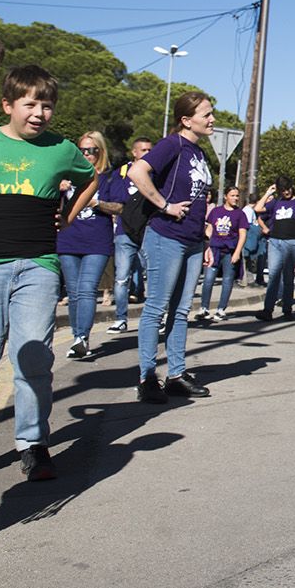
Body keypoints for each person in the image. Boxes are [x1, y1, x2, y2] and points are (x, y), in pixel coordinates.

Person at [0, 65, 96, 488]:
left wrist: (69, 214)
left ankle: (33, 444)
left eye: (47, 105)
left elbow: (90, 177)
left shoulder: (62, 148)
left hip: (39, 265)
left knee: (33, 359)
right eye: (30, 103)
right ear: (8, 105)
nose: (39, 113)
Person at [129, 91, 216, 402]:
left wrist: (204, 239)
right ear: (185, 119)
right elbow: (137, 171)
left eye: (211, 113)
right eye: (206, 114)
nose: (212, 119)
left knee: (181, 311)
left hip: (193, 240)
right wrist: (164, 205)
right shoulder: (172, 144)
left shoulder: (199, 152)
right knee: (156, 308)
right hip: (166, 235)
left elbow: (200, 200)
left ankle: (176, 374)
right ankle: (147, 377)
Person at [57, 131, 118, 359]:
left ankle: (82, 337)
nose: (87, 154)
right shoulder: (67, 175)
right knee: (73, 293)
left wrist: (98, 203)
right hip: (68, 239)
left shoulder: (110, 177)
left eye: (92, 150)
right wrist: (57, 188)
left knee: (86, 289)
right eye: (82, 150)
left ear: (100, 152)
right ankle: (77, 338)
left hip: (97, 240)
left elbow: (121, 207)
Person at [107, 137, 153, 332]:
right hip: (125, 232)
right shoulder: (122, 173)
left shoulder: (157, 174)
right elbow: (117, 200)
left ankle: (156, 317)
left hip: (149, 231)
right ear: (134, 152)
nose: (148, 153)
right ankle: (120, 318)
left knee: (154, 275)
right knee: (122, 277)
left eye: (150, 150)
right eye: (143, 150)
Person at [253, 176, 295, 321]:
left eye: (288, 189)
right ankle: (268, 309)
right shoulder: (276, 202)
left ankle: (287, 308)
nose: (286, 192)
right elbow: (258, 208)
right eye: (282, 190)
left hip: (291, 243)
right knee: (273, 276)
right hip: (275, 242)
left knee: (288, 277)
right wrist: (268, 193)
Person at [197, 186, 248, 322]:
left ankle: (221, 309)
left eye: (237, 196)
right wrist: (208, 244)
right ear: (225, 196)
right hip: (214, 250)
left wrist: (237, 252)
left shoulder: (240, 214)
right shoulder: (216, 211)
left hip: (230, 251)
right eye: (232, 195)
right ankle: (204, 308)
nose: (235, 198)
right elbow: (210, 229)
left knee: (227, 280)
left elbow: (243, 235)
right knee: (208, 280)